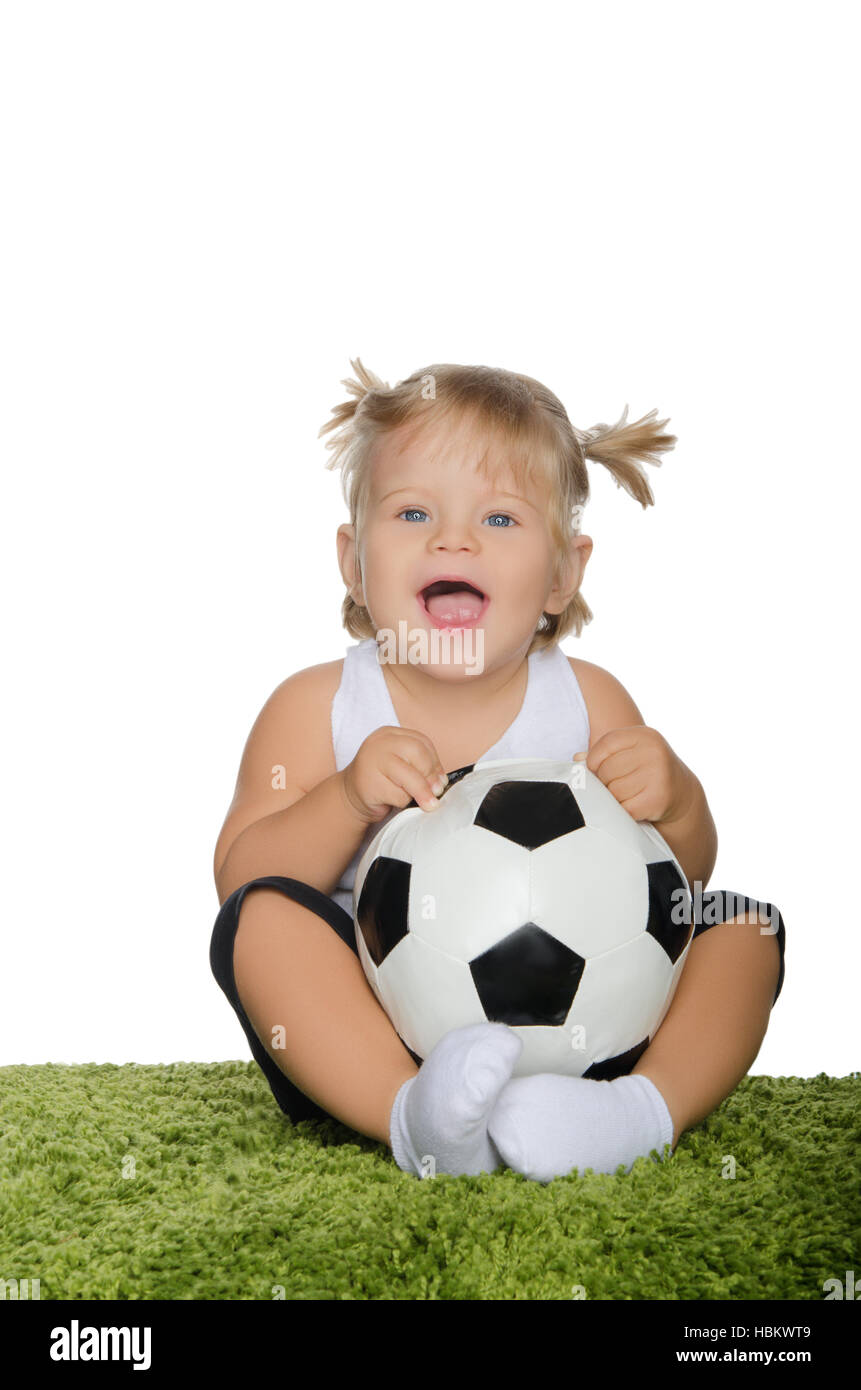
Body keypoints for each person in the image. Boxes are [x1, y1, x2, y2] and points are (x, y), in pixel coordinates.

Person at [209, 358, 786, 1183]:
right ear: (351, 559)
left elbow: (675, 883)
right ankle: (415, 1120)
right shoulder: (316, 706)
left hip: (602, 1038)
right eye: (412, 512)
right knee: (261, 926)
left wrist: (679, 800)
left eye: (500, 520)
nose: (453, 540)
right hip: (372, 1039)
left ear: (562, 574)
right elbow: (240, 879)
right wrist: (343, 801)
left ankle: (632, 1114)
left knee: (743, 926)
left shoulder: (589, 699)